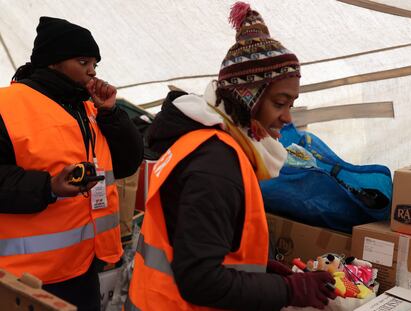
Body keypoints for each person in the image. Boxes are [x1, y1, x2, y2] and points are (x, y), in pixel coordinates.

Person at [125, 2, 336, 311]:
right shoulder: (217, 166)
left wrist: (260, 270)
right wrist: (287, 290)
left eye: (291, 103)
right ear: (248, 99)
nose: (287, 118)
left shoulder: (207, 142)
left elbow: (199, 243)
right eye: (280, 103)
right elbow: (200, 280)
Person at [0, 17, 143, 310]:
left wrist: (112, 113)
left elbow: (128, 163)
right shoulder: (6, 106)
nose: (92, 71)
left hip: (84, 268)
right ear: (54, 62)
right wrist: (49, 187)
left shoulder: (90, 107)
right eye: (83, 61)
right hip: (23, 278)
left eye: (95, 63)